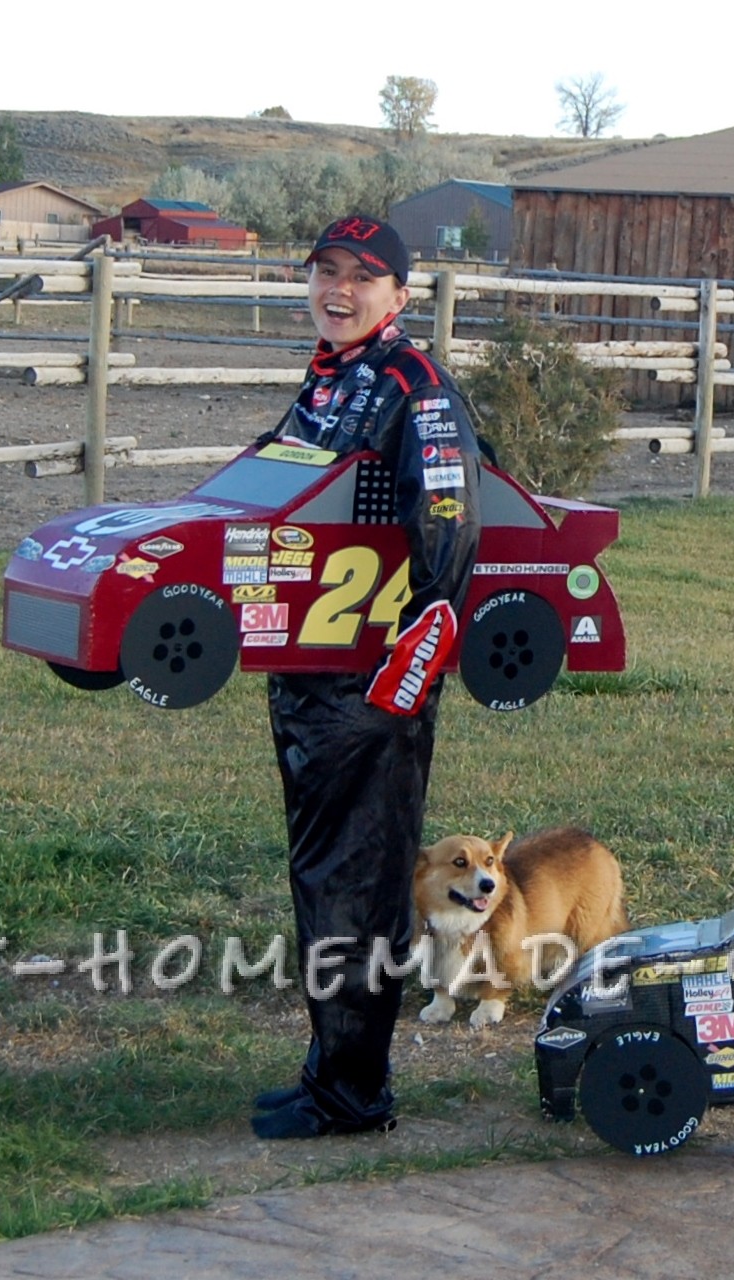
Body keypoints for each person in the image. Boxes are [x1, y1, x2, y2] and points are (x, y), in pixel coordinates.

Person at [249, 215, 482, 1139]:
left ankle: (353, 1095)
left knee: (357, 885)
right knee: (322, 881)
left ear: (400, 293)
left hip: (370, 685)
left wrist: (411, 667)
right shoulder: (328, 379)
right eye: (326, 272)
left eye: (361, 277)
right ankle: (329, 1073)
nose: (338, 290)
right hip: (308, 675)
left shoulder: (412, 389)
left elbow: (451, 519)